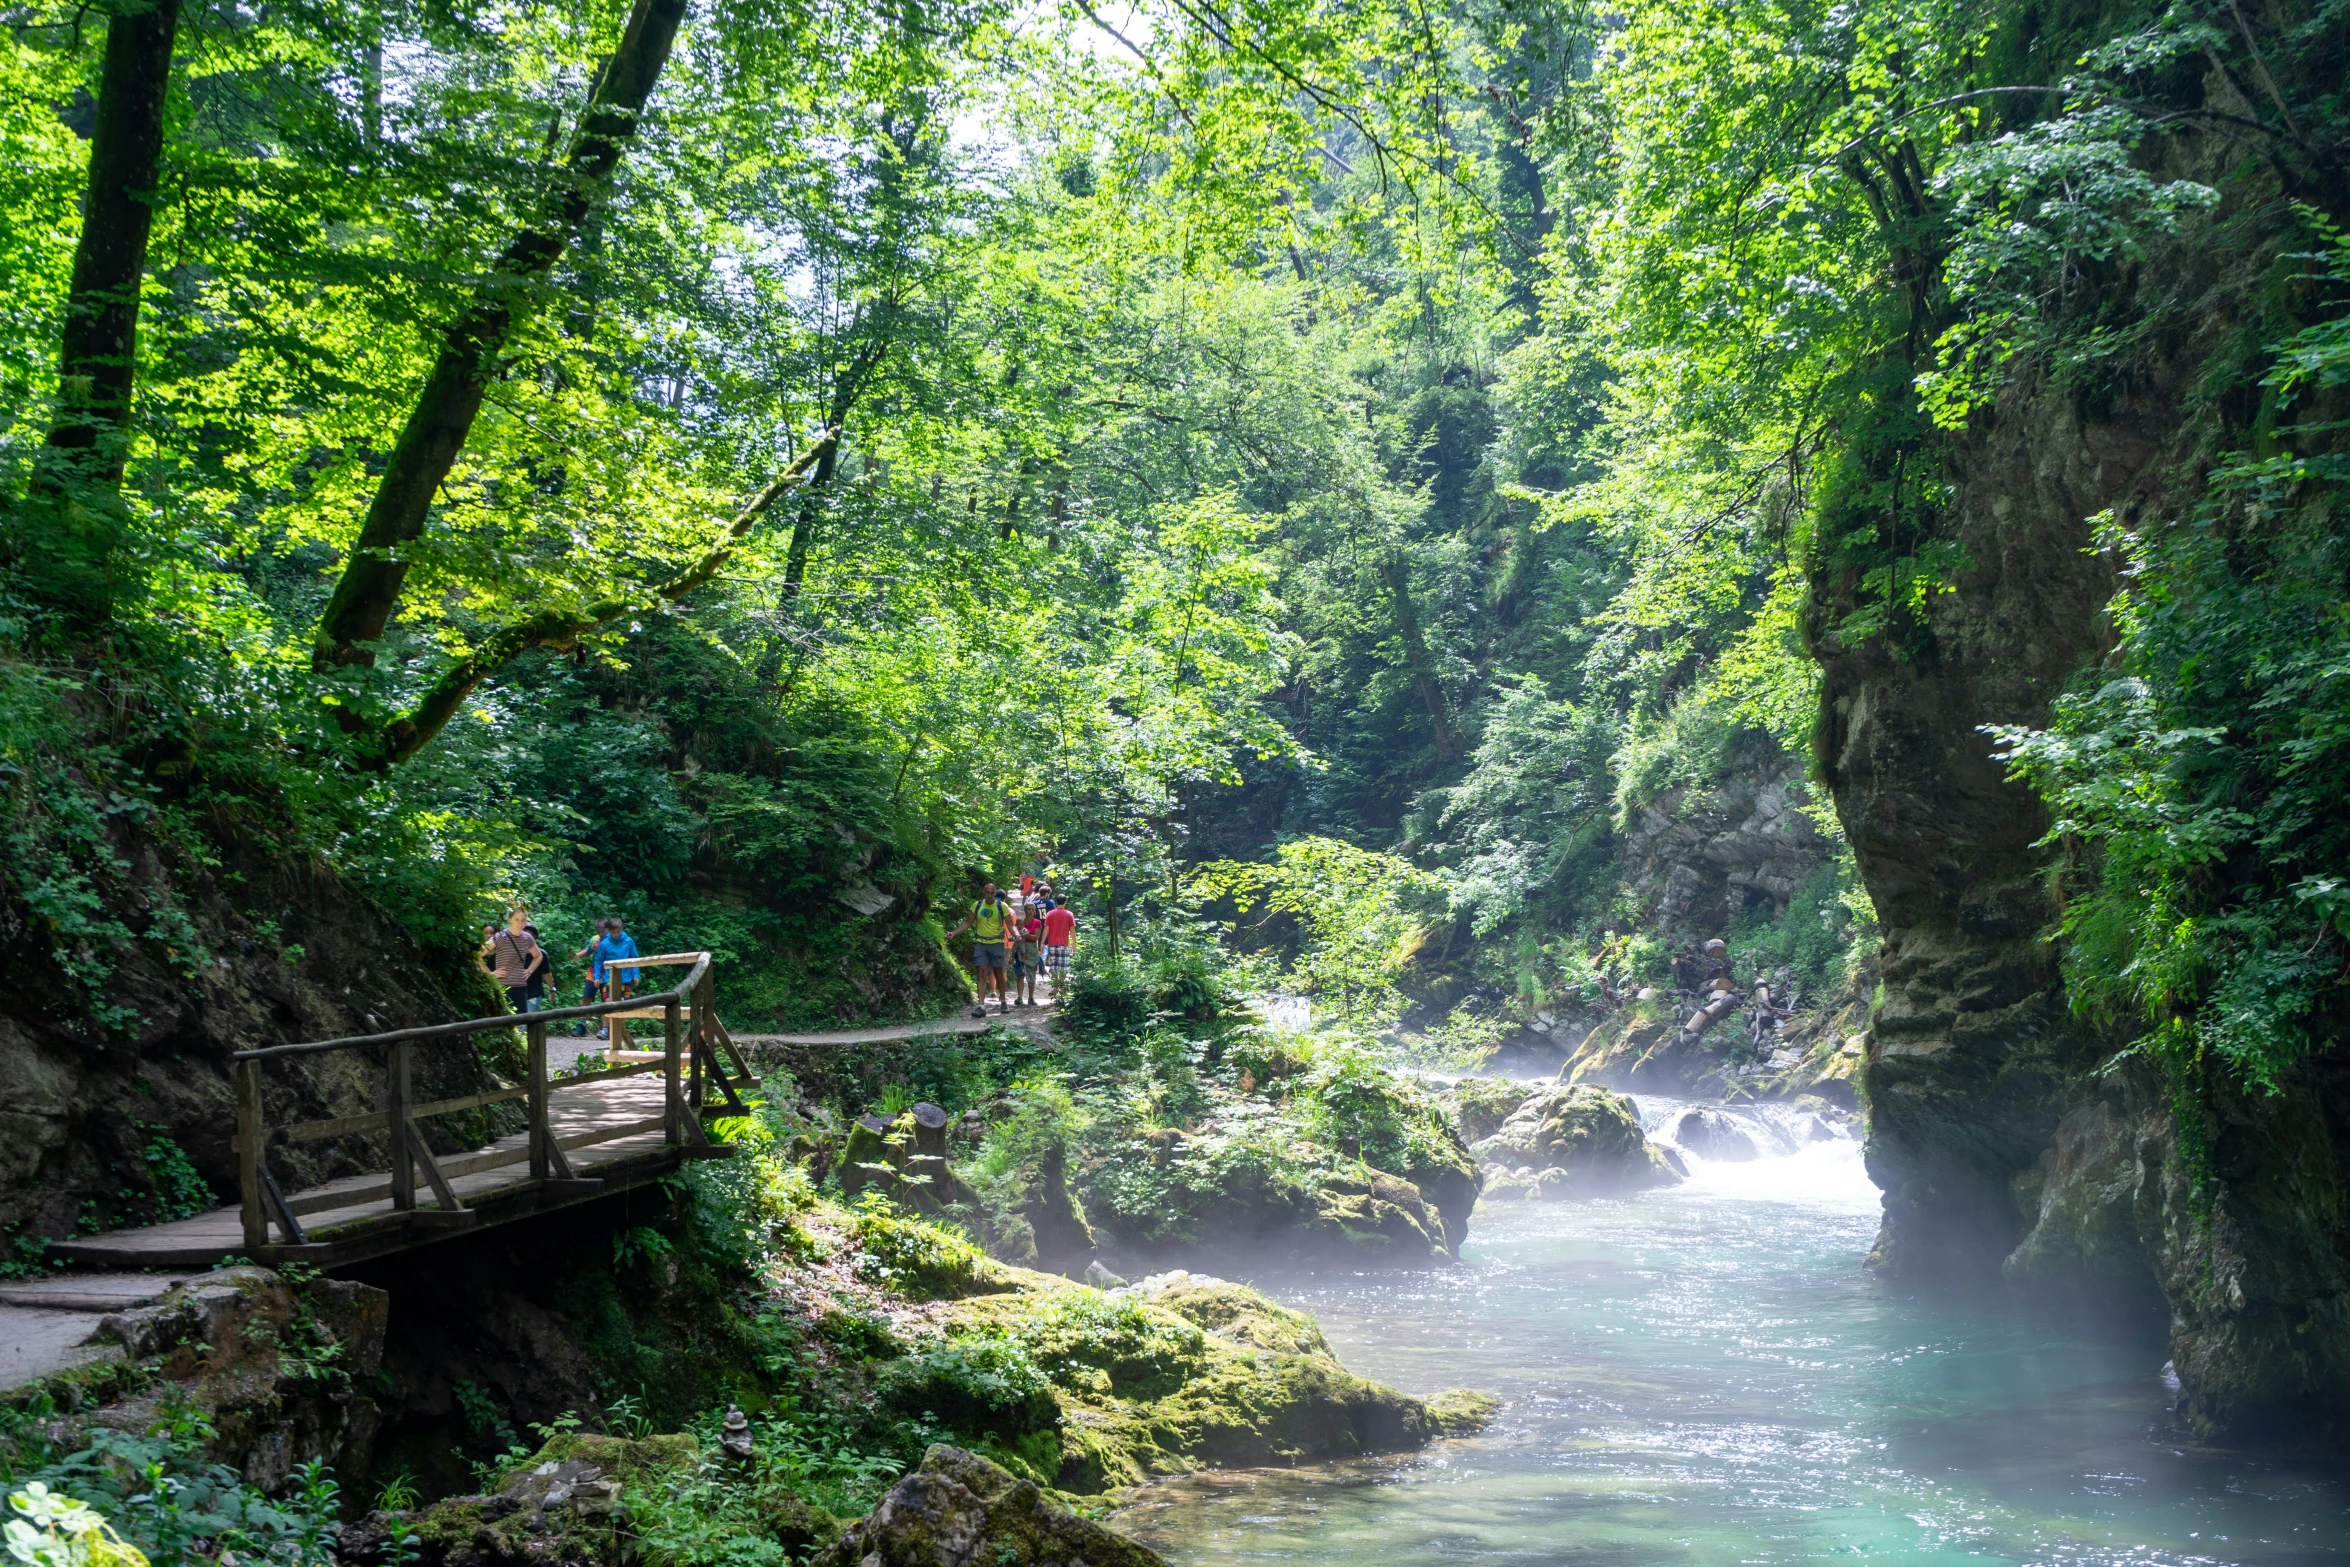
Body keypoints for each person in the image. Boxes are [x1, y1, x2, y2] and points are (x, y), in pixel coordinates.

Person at [945, 882, 1015, 1017]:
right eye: (987, 893)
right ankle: (981, 1005)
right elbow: (967, 922)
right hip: (980, 943)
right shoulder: (977, 905)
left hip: (996, 943)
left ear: (995, 894)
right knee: (981, 972)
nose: (989, 896)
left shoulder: (1002, 906)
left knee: (998, 972)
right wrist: (953, 933)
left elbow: (1010, 925)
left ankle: (1003, 1000)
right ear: (984, 893)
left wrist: (1016, 934)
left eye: (992, 893)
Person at [481, 906, 547, 1013]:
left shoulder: (527, 937)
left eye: (523, 920)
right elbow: (476, 954)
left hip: (521, 985)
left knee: (521, 1021)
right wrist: (491, 974)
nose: (520, 923)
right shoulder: (501, 937)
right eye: (517, 919)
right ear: (510, 920)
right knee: (504, 1019)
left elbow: (538, 956)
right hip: (503, 985)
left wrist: (529, 971)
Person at [1040, 895, 1075, 998]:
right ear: (1065, 902)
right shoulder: (1069, 914)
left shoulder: (1050, 914)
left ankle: (1055, 987)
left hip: (1052, 944)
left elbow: (1046, 929)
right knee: (1063, 967)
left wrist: (1042, 942)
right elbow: (1072, 929)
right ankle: (1062, 987)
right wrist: (1074, 943)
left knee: (1054, 966)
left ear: (1056, 901)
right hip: (1064, 944)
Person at [1013, 903, 1046, 1009]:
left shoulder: (1037, 922)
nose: (1030, 911)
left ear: (1034, 911)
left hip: (1032, 950)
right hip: (1020, 949)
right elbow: (1015, 934)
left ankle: (1031, 998)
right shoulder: (1020, 922)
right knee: (1021, 974)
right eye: (1028, 909)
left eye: (1032, 909)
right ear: (1025, 910)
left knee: (1031, 974)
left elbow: (1036, 937)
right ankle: (1019, 997)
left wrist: (1026, 935)